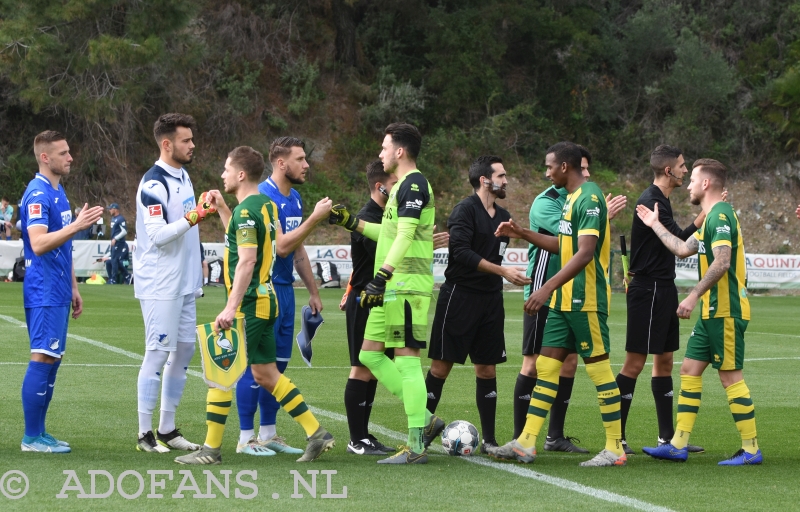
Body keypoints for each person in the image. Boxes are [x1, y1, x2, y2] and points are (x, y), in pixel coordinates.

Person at [175, 146, 335, 464]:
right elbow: (242, 240)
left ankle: (210, 450)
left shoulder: (247, 211)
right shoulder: (264, 205)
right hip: (268, 300)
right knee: (266, 374)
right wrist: (222, 207)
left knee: (221, 371)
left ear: (241, 174)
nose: (222, 174)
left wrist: (230, 308)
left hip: (249, 305)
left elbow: (246, 261)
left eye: (226, 169)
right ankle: (317, 433)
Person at [489, 141, 626, 467]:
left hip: (585, 301)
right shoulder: (571, 200)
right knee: (546, 368)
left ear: (565, 166)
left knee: (600, 371)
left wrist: (545, 288)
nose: (546, 171)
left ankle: (615, 448)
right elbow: (562, 244)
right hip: (565, 303)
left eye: (550, 166)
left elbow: (584, 252)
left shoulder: (590, 197)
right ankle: (525, 442)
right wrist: (523, 233)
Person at [330, 122, 443, 464]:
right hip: (391, 288)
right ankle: (425, 419)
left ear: (399, 151)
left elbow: (406, 236)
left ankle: (416, 446)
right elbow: (390, 232)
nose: (380, 153)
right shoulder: (400, 189)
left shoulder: (415, 184)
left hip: (405, 287)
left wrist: (381, 277)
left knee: (408, 362)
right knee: (369, 355)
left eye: (384, 147)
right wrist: (352, 222)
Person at [637, 159, 761, 465]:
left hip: (726, 310)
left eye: (693, 179)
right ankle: (677, 445)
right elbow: (681, 248)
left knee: (730, 377)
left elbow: (722, 262)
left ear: (706, 184)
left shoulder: (720, 216)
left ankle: (751, 449)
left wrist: (692, 295)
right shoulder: (711, 217)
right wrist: (654, 225)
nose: (689, 184)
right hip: (712, 313)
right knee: (689, 370)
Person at [424, 155, 530, 453]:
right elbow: (460, 253)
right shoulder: (464, 211)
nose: (506, 180)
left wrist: (504, 275)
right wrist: (503, 272)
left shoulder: (504, 216)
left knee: (487, 370)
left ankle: (490, 441)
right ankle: (419, 434)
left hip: (490, 301)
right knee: (440, 368)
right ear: (485, 180)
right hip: (459, 297)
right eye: (501, 175)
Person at [234, 136, 332, 456]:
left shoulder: (296, 197)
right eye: (300, 159)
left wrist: (314, 290)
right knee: (255, 368)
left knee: (278, 366)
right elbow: (281, 245)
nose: (306, 165)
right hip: (264, 290)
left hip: (286, 291)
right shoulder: (263, 196)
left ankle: (269, 433)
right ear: (281, 163)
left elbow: (298, 249)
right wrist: (315, 219)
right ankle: (246, 437)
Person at [615, 145, 706, 455]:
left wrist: (701, 217)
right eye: (681, 166)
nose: (684, 171)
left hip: (664, 287)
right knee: (635, 363)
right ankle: (616, 437)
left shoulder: (662, 201)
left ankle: (666, 439)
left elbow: (676, 234)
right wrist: (707, 216)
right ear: (668, 171)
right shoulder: (651, 200)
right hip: (648, 290)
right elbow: (678, 245)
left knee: (664, 362)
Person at [19, 130, 104, 452]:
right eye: (63, 153)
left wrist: (73, 286)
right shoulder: (38, 195)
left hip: (58, 288)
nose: (70, 158)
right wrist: (76, 226)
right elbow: (39, 243)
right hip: (42, 290)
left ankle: (40, 433)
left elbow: (63, 245)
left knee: (53, 358)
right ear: (45, 157)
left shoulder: (58, 191)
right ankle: (31, 437)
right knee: (42, 356)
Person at [133, 113, 213, 453]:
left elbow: (186, 232)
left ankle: (167, 428)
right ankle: (144, 434)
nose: (192, 145)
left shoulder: (184, 176)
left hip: (183, 283)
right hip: (160, 284)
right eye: (186, 140)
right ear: (167, 144)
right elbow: (158, 236)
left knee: (184, 351)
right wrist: (195, 215)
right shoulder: (153, 184)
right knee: (157, 353)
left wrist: (196, 274)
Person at [343, 160, 399, 455]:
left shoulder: (387, 216)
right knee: (362, 368)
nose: (399, 189)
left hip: (382, 301)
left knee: (374, 370)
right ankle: (356, 439)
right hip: (365, 300)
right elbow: (388, 255)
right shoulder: (367, 217)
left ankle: (364, 436)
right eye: (394, 184)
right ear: (380, 187)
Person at [107, 203, 129, 285]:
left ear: (115, 209)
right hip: (114, 241)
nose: (109, 210)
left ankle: (114, 279)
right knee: (113, 260)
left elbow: (124, 231)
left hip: (119, 242)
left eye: (110, 209)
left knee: (114, 260)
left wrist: (115, 238)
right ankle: (127, 276)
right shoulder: (113, 219)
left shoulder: (120, 219)